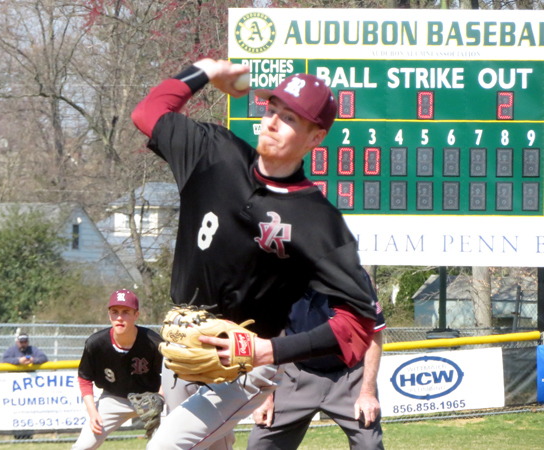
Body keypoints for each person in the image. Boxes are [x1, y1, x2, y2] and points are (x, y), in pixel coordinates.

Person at [132, 59, 377, 450]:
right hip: (182, 345)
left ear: (317, 138)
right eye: (272, 110)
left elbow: (360, 323)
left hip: (244, 366)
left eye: (291, 119)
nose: (273, 123)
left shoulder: (317, 222)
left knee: (165, 446)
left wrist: (270, 350)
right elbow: (148, 113)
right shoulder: (214, 153)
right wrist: (205, 71)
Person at [247, 271, 386, 450]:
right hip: (295, 373)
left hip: (349, 375)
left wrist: (367, 393)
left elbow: (373, 335)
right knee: (261, 444)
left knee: (370, 445)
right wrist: (265, 394)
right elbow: (266, 335)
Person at [72, 289, 163, 450]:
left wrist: (162, 399)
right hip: (114, 399)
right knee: (82, 447)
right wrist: (93, 413)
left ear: (136, 315)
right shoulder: (96, 344)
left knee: (164, 445)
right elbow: (85, 379)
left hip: (151, 398)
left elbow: (171, 373)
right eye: (115, 312)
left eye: (126, 312)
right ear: (109, 315)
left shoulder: (153, 342)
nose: (119, 317)